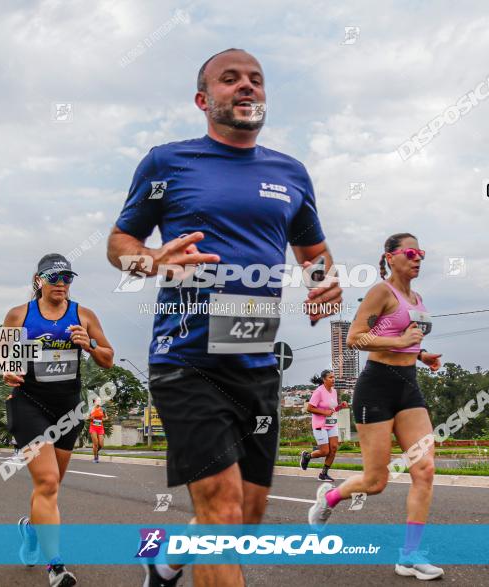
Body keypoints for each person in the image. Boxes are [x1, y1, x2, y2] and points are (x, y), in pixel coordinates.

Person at [108, 48, 341, 587]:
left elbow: (314, 253)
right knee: (223, 514)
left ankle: (163, 563)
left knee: (248, 517)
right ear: (202, 99)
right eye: (230, 79)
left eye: (255, 80)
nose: (246, 87)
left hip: (257, 364)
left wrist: (323, 280)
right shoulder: (167, 163)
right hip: (186, 361)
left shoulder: (291, 173)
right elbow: (119, 242)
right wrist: (150, 260)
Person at [307, 233, 445, 580]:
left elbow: (407, 341)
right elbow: (355, 337)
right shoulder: (381, 291)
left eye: (421, 253)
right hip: (376, 388)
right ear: (391, 256)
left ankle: (409, 555)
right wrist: (398, 341)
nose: (418, 258)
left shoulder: (418, 297)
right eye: (411, 252)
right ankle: (330, 498)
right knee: (376, 480)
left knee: (424, 469)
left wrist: (422, 354)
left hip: (409, 386)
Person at [2, 253, 114, 587]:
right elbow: (2, 353)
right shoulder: (19, 315)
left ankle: (31, 530)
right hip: (28, 405)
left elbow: (108, 358)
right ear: (39, 280)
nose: (62, 284)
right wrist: (7, 369)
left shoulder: (84, 314)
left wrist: (90, 344)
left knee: (50, 487)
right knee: (48, 481)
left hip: (68, 408)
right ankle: (56, 567)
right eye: (55, 278)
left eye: (67, 278)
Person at [299, 370, 347, 481]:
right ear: (324, 379)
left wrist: (340, 406)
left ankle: (323, 474)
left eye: (334, 377)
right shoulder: (319, 392)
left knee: (334, 448)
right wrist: (324, 413)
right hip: (320, 425)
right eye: (330, 377)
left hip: (331, 424)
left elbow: (331, 409)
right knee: (325, 451)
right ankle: (307, 456)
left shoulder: (334, 392)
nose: (333, 379)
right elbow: (309, 408)